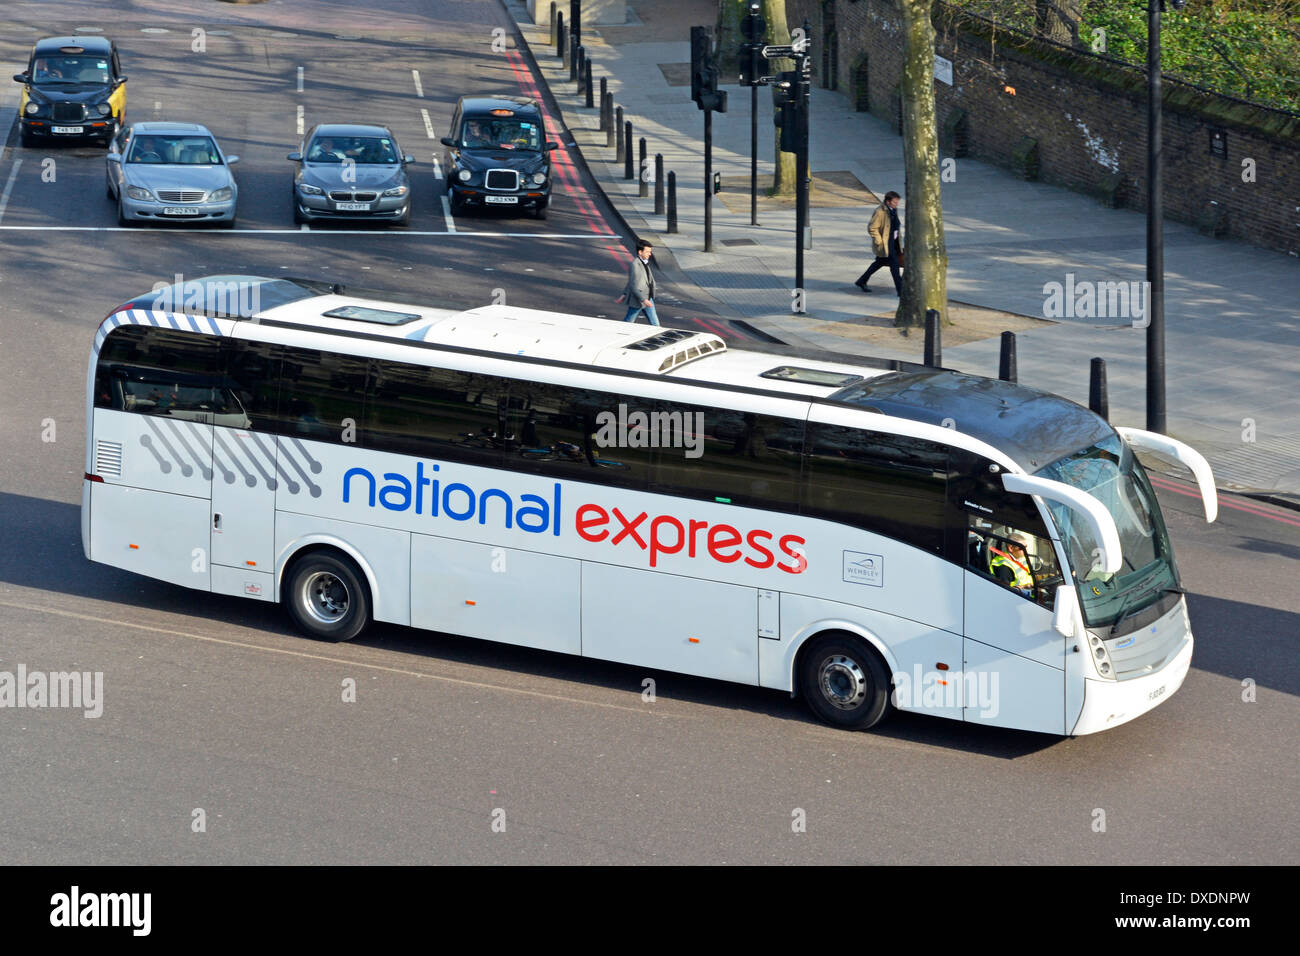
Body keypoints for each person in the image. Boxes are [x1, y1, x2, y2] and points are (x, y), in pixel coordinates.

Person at [855, 191, 903, 297]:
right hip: (886, 243)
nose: (897, 204)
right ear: (887, 202)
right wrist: (879, 241)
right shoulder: (879, 212)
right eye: (895, 202)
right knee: (894, 266)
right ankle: (901, 291)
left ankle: (862, 280)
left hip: (894, 242)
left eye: (897, 202)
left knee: (879, 262)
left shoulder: (893, 209)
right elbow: (872, 228)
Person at [617, 239, 660, 326]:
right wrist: (643, 300)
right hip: (639, 300)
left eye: (650, 252)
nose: (650, 254)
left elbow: (632, 280)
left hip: (648, 297)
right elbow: (633, 284)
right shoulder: (635, 265)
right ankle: (618, 331)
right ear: (640, 252)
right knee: (628, 322)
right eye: (647, 252)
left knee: (655, 324)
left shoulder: (645, 262)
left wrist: (624, 293)